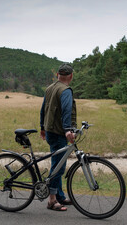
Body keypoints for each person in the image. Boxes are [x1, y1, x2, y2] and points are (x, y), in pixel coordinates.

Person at [40, 63, 77, 211]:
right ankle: (52, 200)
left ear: (57, 75)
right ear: (71, 76)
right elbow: (67, 111)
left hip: (50, 131)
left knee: (57, 162)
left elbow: (43, 109)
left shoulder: (50, 88)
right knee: (58, 167)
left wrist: (42, 127)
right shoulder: (65, 90)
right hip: (59, 132)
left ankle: (60, 195)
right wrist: (68, 130)